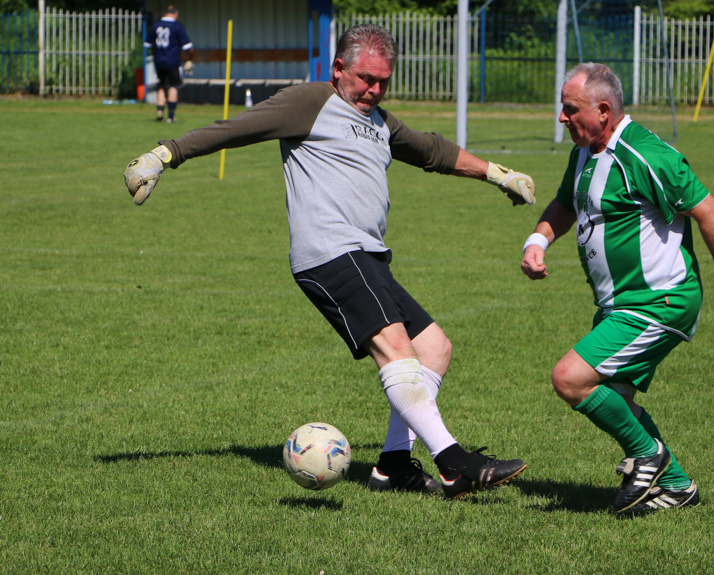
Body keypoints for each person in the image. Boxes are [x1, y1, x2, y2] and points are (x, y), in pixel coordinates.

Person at [124, 24, 534, 499]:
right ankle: (455, 461)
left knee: (435, 348)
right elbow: (234, 129)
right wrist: (162, 155)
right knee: (397, 349)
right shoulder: (309, 102)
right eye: (365, 78)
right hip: (331, 253)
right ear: (338, 68)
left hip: (369, 255)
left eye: (384, 81)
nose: (374, 90)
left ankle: (394, 466)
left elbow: (431, 150)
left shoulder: (379, 120)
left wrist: (497, 174)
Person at [520, 63, 714, 514]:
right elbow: (566, 201)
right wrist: (538, 240)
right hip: (620, 304)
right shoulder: (585, 150)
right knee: (613, 397)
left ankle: (649, 456)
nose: (561, 117)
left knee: (570, 379)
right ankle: (676, 486)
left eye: (569, 108)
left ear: (603, 109)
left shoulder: (648, 155)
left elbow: (708, 211)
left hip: (660, 300)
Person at [144, 5, 194, 123]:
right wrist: (189, 58)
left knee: (161, 85)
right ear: (175, 14)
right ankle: (171, 116)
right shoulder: (177, 26)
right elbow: (188, 47)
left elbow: (147, 44)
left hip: (159, 61)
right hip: (173, 61)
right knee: (173, 86)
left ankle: (160, 111)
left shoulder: (156, 25)